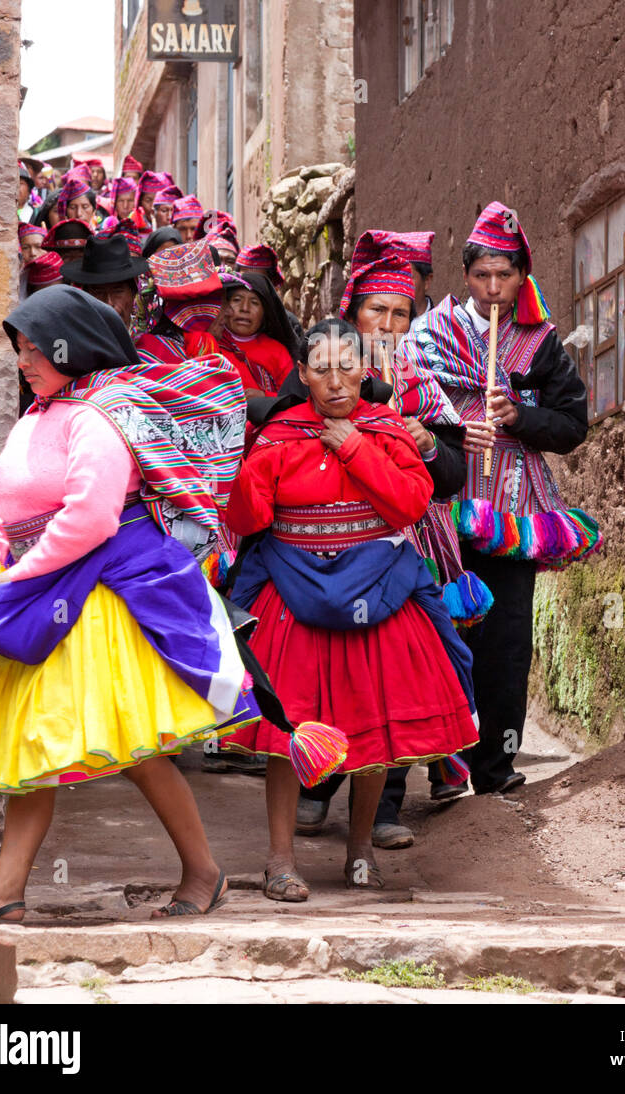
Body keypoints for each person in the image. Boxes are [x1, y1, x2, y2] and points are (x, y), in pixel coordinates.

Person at [0, 289, 262, 921]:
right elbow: (2, 506)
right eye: (19, 347)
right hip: (37, 595)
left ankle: (203, 871)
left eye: (32, 347)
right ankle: (7, 891)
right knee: (36, 745)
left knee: (137, 750)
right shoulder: (36, 417)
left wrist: (14, 578)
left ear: (69, 348)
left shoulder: (98, 418)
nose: (22, 359)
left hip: (94, 604)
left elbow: (90, 518)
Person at [221, 317, 477, 902]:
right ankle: (280, 859)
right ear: (303, 374)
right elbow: (247, 520)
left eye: (347, 365)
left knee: (374, 727)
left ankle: (360, 851)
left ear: (367, 370)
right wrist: (248, 464)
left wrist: (357, 449)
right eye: (321, 368)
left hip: (377, 590)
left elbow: (412, 503)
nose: (335, 380)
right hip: (292, 591)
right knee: (289, 725)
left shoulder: (387, 431)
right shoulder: (279, 434)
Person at [408, 202, 601, 796]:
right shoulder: (429, 336)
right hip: (445, 505)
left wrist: (520, 415)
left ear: (523, 276)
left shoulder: (540, 343)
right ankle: (446, 768)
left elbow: (572, 426)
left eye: (505, 276)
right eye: (481, 276)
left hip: (516, 514)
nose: (493, 290)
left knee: (508, 641)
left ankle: (496, 769)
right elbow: (406, 412)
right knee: (448, 631)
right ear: (465, 276)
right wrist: (451, 430)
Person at [297, 236, 477, 846]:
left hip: (411, 542)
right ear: (353, 313)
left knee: (394, 676)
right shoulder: (326, 371)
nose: (389, 323)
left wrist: (426, 443)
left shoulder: (429, 384)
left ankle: (387, 807)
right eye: (378, 310)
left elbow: (452, 475)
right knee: (332, 667)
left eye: (402, 312)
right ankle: (317, 787)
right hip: (329, 547)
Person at [219, 270, 298, 397]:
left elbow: (293, 398)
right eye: (237, 300)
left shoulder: (277, 352)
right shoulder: (209, 344)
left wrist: (264, 397)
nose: (245, 308)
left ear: (265, 313)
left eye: (254, 302)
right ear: (225, 306)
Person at [61, 235, 149, 331]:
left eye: (117, 291)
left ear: (133, 294)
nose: (109, 303)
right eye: (98, 292)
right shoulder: (72, 340)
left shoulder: (150, 343)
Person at [131, 171, 165, 238]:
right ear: (140, 202)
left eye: (158, 200)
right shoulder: (133, 226)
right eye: (148, 200)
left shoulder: (177, 226)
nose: (153, 206)